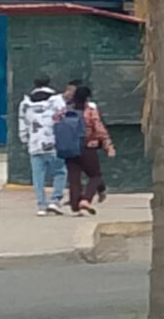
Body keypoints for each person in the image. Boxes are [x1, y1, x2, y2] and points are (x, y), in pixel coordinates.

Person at [18, 76, 67, 216]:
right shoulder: (57, 100)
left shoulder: (25, 103)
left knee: (38, 176)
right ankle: (55, 200)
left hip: (34, 144)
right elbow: (63, 119)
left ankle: (41, 205)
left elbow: (22, 123)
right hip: (54, 142)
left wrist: (24, 139)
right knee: (60, 172)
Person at [64, 86, 115, 216]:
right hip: (88, 147)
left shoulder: (65, 110)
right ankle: (86, 199)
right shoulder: (90, 111)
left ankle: (75, 205)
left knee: (74, 177)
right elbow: (99, 129)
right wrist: (108, 146)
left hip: (69, 147)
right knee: (95, 176)